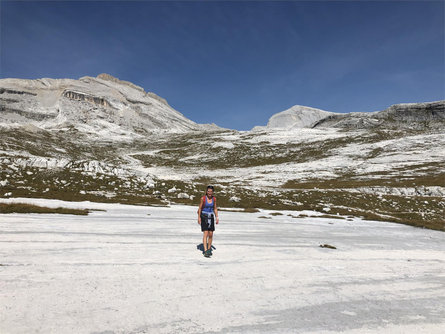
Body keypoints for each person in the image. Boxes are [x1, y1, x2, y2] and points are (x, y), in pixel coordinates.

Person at [198, 185, 219, 257]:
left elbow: (215, 208)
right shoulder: (203, 199)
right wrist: (199, 218)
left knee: (211, 234)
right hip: (204, 216)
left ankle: (209, 248)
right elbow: (200, 208)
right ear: (206, 191)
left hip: (211, 216)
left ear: (213, 192)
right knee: (206, 233)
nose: (209, 193)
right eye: (208, 191)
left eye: (211, 191)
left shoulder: (214, 199)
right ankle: (205, 250)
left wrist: (217, 217)